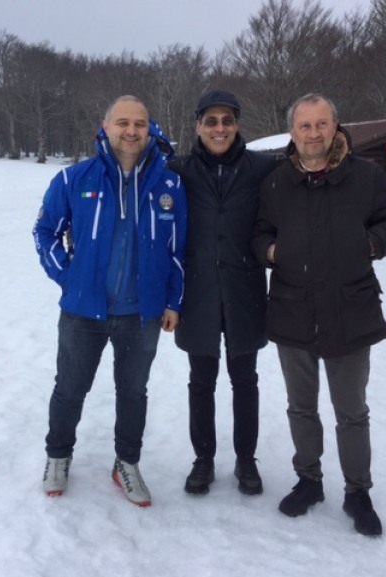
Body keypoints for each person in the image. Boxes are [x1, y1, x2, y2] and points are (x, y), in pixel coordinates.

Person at [252, 93, 386, 536]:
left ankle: (358, 491)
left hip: (351, 310)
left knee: (352, 411)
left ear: (336, 127)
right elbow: (259, 232)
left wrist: (371, 244)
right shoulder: (277, 182)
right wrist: (270, 250)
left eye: (322, 124)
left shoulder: (366, 177)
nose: (314, 133)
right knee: (301, 407)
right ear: (293, 132)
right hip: (292, 310)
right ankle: (309, 481)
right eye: (305, 126)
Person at [32, 95, 186, 507]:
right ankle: (58, 456)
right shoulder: (74, 179)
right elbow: (44, 231)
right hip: (84, 311)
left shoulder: (168, 184)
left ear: (148, 128)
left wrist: (173, 300)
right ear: (106, 126)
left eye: (139, 123)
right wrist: (68, 276)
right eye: (123, 123)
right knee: (70, 389)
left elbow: (178, 250)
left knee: (133, 392)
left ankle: (127, 464)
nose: (131, 131)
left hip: (143, 313)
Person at [168, 90, 277, 496]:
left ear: (237, 125)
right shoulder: (177, 169)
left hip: (244, 288)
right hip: (197, 292)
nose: (219, 128)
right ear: (198, 125)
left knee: (245, 379)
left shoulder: (262, 168)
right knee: (201, 380)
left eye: (227, 121)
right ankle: (204, 459)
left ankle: (246, 461)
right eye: (210, 121)